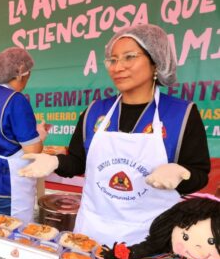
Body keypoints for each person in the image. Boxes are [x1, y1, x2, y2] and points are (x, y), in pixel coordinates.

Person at [20, 24, 210, 246]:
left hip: (151, 237)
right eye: (112, 59)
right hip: (92, 232)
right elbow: (78, 163)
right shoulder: (95, 112)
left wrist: (181, 175)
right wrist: (55, 161)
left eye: (129, 57)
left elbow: (199, 175)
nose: (117, 67)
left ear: (155, 62)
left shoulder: (181, 114)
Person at [0, 47, 47, 223]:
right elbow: (32, 149)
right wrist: (40, 135)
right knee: (14, 233)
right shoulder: (16, 100)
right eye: (28, 75)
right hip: (9, 184)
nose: (27, 80)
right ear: (20, 73)